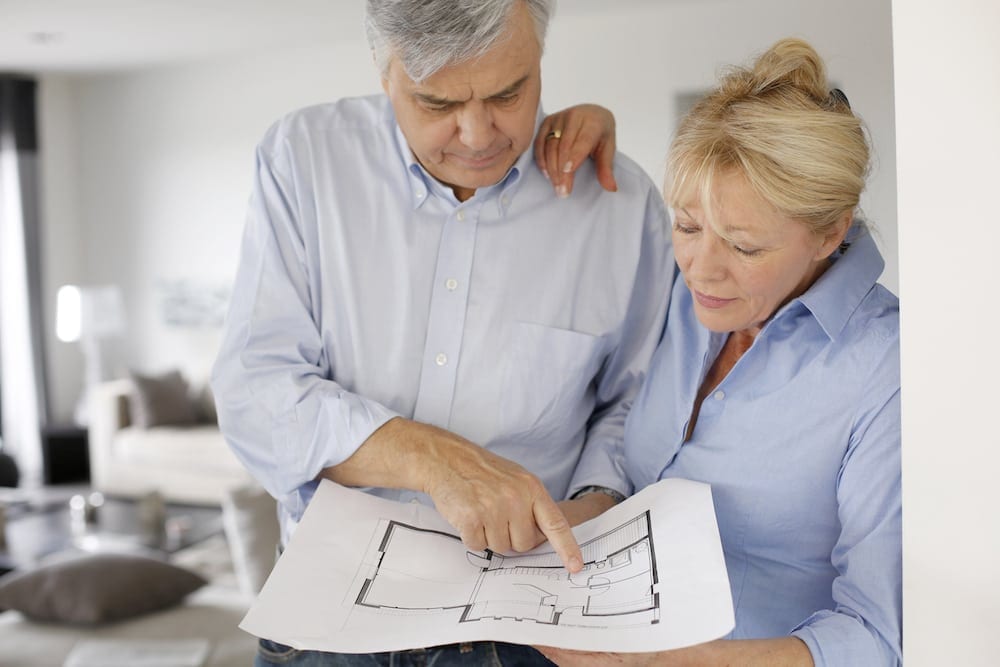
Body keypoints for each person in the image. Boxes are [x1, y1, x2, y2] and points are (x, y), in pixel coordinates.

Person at [210, 0, 672, 664]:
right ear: (384, 70)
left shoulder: (618, 205)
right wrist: (432, 460)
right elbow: (256, 393)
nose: (478, 132)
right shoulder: (303, 162)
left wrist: (595, 501)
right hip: (329, 621)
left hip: (529, 627)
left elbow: (638, 401)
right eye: (437, 103)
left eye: (509, 93)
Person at [536, 38, 901, 666]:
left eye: (745, 247)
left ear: (830, 233)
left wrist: (661, 663)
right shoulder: (680, 299)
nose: (701, 271)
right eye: (687, 226)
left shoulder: (888, 370)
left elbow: (877, 639)